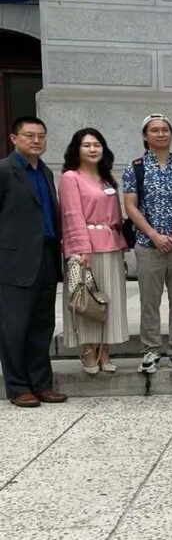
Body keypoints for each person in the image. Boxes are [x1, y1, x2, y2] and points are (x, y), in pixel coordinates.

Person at [122, 114, 172, 374]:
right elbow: (130, 206)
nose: (161, 134)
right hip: (148, 245)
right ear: (145, 136)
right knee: (149, 301)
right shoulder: (135, 168)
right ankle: (151, 349)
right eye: (154, 130)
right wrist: (154, 235)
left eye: (165, 129)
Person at [0, 116, 66, 407]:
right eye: (29, 135)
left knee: (42, 325)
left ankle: (42, 384)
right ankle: (17, 387)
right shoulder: (4, 170)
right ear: (14, 139)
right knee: (14, 327)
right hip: (13, 262)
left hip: (46, 258)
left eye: (41, 136)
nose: (36, 140)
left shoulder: (47, 173)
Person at [60, 128, 129, 374]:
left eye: (97, 144)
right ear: (76, 150)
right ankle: (89, 351)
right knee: (86, 300)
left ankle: (105, 350)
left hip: (111, 246)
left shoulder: (107, 178)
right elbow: (71, 215)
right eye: (87, 145)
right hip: (85, 248)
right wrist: (80, 248)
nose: (92, 149)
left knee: (107, 300)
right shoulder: (71, 177)